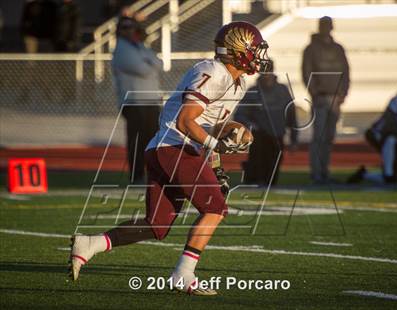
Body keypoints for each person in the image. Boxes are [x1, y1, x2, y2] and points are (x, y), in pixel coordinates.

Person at [69, 21, 271, 295]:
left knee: (157, 225)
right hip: (174, 148)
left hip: (167, 149)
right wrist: (216, 147)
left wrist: (236, 131)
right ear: (238, 49)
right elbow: (186, 121)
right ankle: (183, 273)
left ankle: (90, 244)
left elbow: (210, 124)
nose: (259, 55)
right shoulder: (212, 71)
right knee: (215, 210)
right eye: (255, 48)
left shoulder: (237, 84)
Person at [112, 17, 162, 183]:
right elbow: (143, 69)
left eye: (132, 27)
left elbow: (158, 63)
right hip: (134, 102)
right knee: (137, 142)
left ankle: (152, 174)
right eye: (126, 27)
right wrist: (149, 63)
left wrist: (149, 61)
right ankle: (137, 175)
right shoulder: (122, 49)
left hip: (150, 101)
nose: (130, 30)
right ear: (119, 31)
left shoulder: (140, 47)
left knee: (152, 140)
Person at [302, 16, 350, 184]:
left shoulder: (338, 49)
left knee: (329, 137)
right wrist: (315, 93)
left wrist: (343, 93)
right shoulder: (311, 49)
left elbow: (346, 71)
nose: (326, 29)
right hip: (320, 99)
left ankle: (325, 171)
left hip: (336, 100)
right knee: (319, 137)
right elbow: (306, 73)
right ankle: (316, 172)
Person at [235, 64, 298, 185]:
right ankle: (253, 181)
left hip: (278, 136)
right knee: (257, 171)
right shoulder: (252, 91)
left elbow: (291, 114)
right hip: (259, 138)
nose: (266, 75)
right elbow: (240, 115)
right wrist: (253, 126)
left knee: (272, 177)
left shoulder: (283, 90)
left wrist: (294, 139)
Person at [348, 82, 397, 184]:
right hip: (377, 135)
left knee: (395, 172)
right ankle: (388, 174)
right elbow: (390, 127)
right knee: (390, 142)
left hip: (393, 139)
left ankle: (365, 175)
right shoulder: (396, 103)